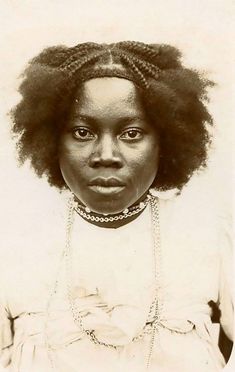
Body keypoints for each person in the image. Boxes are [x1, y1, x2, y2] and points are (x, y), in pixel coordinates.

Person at [0, 41, 233, 371]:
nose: (106, 155)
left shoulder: (208, 235)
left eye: (132, 133)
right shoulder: (13, 243)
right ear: (52, 141)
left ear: (165, 141)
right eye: (82, 132)